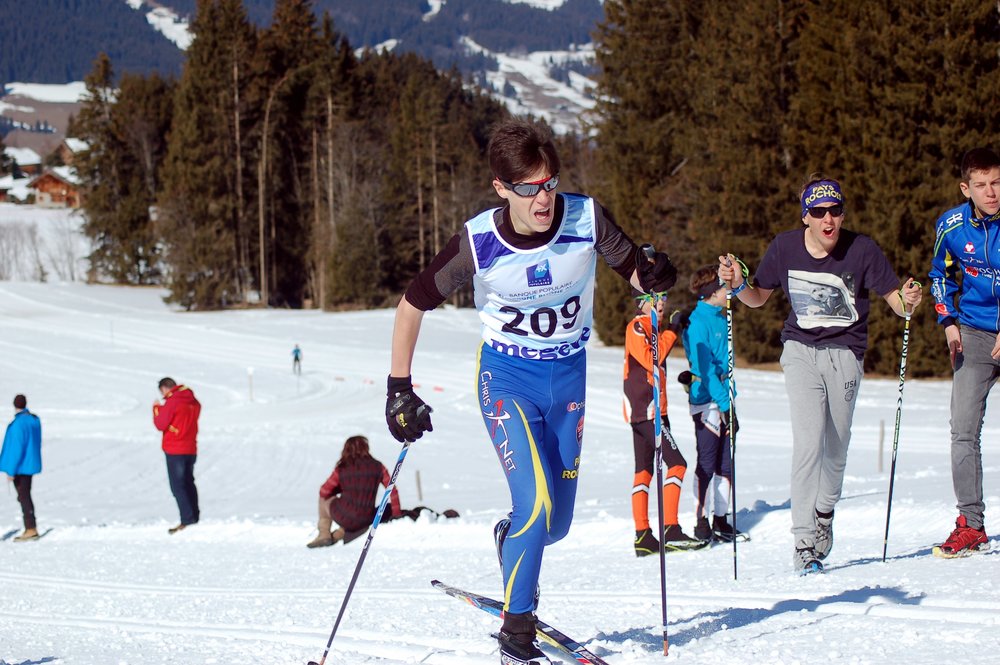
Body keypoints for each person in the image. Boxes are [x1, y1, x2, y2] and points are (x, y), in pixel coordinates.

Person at [385, 116, 677, 664]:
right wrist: (398, 387)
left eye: (550, 184)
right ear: (501, 188)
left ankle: (511, 540)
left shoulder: (585, 218)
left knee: (555, 525)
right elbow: (412, 303)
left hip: (567, 380)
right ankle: (516, 639)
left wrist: (655, 274)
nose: (543, 199)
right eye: (528, 188)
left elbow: (635, 269)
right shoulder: (478, 243)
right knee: (536, 505)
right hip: (507, 380)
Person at [718, 175, 921, 574]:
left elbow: (897, 301)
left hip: (845, 353)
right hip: (800, 352)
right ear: (806, 216)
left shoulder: (862, 249)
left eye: (835, 211)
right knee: (808, 444)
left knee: (837, 446)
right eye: (819, 212)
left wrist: (909, 299)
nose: (828, 219)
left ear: (842, 213)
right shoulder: (785, 247)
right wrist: (738, 285)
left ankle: (824, 513)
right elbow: (757, 298)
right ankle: (804, 542)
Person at [928, 147, 1000, 558]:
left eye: (996, 183)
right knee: (963, 429)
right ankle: (971, 525)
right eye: (981, 185)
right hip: (972, 332)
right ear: (966, 188)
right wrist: (949, 323)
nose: (990, 193)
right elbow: (940, 274)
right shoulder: (952, 225)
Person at [623, 290, 705, 555]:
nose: (661, 305)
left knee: (644, 471)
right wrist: (671, 330)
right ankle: (671, 529)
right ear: (642, 304)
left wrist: (669, 329)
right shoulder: (638, 326)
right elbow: (651, 359)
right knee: (677, 464)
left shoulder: (652, 329)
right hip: (646, 411)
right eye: (655, 301)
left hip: (653, 410)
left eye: (663, 301)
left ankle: (643, 535)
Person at [682, 266, 743, 544]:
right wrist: (723, 404)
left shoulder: (721, 317)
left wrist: (730, 401)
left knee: (725, 464)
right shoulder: (699, 323)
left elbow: (724, 365)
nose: (728, 291)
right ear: (713, 292)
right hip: (707, 401)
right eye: (724, 287)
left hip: (723, 397)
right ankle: (701, 520)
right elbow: (705, 371)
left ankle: (721, 518)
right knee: (707, 462)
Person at [307, 435, 402, 548]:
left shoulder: (342, 468)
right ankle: (337, 535)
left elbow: (323, 491)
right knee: (387, 507)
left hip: (344, 516)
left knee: (324, 499)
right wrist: (397, 515)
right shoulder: (378, 466)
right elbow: (392, 490)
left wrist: (338, 488)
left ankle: (324, 535)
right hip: (367, 518)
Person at [152, 378, 201, 534]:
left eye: (162, 392)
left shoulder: (173, 401)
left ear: (165, 388)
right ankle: (194, 517)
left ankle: (186, 520)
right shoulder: (193, 401)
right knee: (188, 482)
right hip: (190, 447)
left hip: (175, 448)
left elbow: (160, 424)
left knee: (178, 486)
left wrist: (156, 409)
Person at [0, 394, 42, 542]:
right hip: (29, 464)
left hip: (20, 466)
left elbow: (16, 448)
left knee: (24, 497)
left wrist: (11, 470)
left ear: (15, 405)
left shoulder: (18, 423)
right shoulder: (33, 420)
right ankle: (31, 527)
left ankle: (31, 528)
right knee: (25, 496)